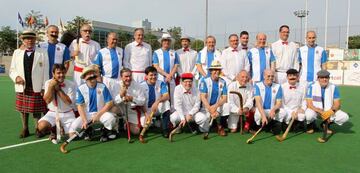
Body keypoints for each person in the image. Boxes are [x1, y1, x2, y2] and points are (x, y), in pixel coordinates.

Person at [9, 30, 49, 138]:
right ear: (22, 40)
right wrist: (16, 77)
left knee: (37, 110)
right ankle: (25, 128)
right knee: (23, 109)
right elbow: (12, 70)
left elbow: (46, 71)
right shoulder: (17, 52)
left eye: (31, 38)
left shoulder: (43, 52)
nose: (29, 40)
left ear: (35, 40)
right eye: (26, 38)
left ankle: (38, 128)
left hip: (36, 85)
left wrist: (43, 87)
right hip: (22, 86)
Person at [69, 66, 117, 142]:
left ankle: (105, 130)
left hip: (101, 113)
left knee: (111, 119)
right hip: (87, 115)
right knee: (72, 132)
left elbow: (109, 103)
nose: (91, 76)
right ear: (85, 78)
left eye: (92, 74)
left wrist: (98, 115)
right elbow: (80, 106)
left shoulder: (102, 86)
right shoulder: (81, 88)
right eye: (88, 74)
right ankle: (89, 130)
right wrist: (84, 120)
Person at [38, 64, 76, 142]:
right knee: (41, 126)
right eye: (58, 73)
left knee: (73, 136)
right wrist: (51, 87)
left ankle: (62, 127)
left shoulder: (71, 84)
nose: (61, 75)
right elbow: (47, 100)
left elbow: (68, 102)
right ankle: (53, 130)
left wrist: (58, 89)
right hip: (52, 113)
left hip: (67, 113)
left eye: (63, 72)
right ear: (53, 74)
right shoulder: (48, 82)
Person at [305, 70, 349, 134]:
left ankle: (325, 124)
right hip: (316, 110)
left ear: (329, 78)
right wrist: (321, 112)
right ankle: (310, 125)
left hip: (329, 111)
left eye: (326, 77)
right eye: (322, 78)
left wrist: (329, 112)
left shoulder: (334, 87)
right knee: (309, 115)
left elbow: (337, 104)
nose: (324, 79)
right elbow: (309, 104)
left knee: (345, 117)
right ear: (318, 78)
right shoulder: (311, 86)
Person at [170, 73, 210, 139]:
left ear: (192, 82)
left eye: (190, 82)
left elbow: (197, 105)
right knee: (173, 118)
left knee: (203, 118)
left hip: (193, 114)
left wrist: (190, 114)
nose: (188, 84)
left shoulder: (196, 90)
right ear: (181, 82)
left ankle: (202, 130)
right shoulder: (177, 89)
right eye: (186, 82)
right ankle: (179, 127)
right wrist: (182, 118)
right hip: (181, 114)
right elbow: (177, 106)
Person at [113, 68, 146, 135]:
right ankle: (118, 122)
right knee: (113, 108)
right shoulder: (116, 85)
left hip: (131, 111)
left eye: (130, 76)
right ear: (121, 77)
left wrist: (132, 99)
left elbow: (142, 101)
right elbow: (114, 102)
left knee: (136, 131)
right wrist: (121, 96)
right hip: (121, 110)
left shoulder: (137, 86)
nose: (128, 78)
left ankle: (126, 124)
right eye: (126, 76)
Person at [140, 66, 171, 138]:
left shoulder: (161, 83)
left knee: (166, 103)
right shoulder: (141, 85)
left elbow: (167, 96)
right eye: (151, 75)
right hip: (146, 110)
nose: (153, 77)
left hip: (157, 107)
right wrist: (146, 114)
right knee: (144, 124)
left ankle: (165, 129)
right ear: (146, 76)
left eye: (155, 75)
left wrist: (157, 101)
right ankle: (155, 121)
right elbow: (141, 103)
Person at [199, 60, 228, 136]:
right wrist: (210, 109)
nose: (217, 72)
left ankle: (220, 126)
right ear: (211, 71)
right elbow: (203, 97)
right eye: (215, 70)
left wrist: (215, 107)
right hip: (206, 107)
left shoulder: (223, 82)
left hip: (217, 106)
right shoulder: (204, 80)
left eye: (218, 70)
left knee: (227, 106)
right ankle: (213, 125)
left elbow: (224, 98)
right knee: (204, 128)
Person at [153, 33, 179, 109]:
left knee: (172, 97)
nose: (166, 42)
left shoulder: (174, 53)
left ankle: (172, 115)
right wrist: (166, 75)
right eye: (164, 40)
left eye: (168, 41)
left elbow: (176, 65)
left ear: (170, 42)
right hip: (160, 79)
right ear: (161, 42)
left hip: (171, 79)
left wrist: (170, 75)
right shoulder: (156, 52)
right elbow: (156, 66)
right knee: (160, 97)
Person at [93, 32, 123, 97]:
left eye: (116, 39)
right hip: (106, 80)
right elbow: (96, 67)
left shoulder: (121, 50)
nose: (115, 41)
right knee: (106, 100)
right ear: (108, 40)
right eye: (113, 39)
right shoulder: (101, 52)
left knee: (118, 100)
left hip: (118, 80)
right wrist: (99, 79)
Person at [253, 70, 283, 135]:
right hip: (261, 109)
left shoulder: (278, 86)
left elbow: (279, 103)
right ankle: (259, 126)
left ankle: (271, 125)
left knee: (282, 112)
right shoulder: (257, 85)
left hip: (272, 110)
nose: (270, 78)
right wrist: (263, 116)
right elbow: (258, 102)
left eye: (272, 76)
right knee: (258, 115)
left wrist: (273, 110)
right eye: (268, 76)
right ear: (264, 76)